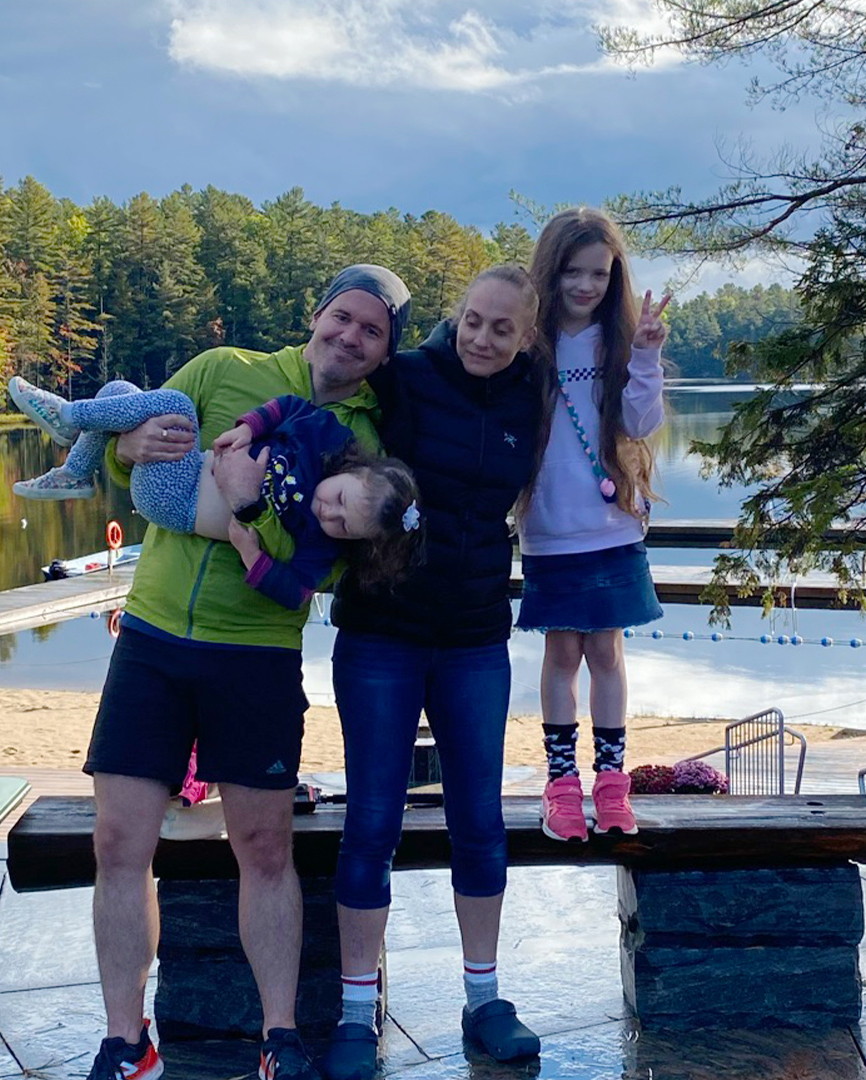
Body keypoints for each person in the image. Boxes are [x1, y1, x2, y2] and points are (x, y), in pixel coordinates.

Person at [78, 265, 411, 1080]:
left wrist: (251, 510)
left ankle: (279, 1037)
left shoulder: (366, 442)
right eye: (342, 317)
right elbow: (133, 466)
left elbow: (329, 571)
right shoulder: (224, 369)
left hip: (257, 654)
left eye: (372, 331)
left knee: (264, 846)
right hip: (153, 636)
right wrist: (125, 448)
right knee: (120, 840)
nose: (350, 337)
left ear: (384, 351)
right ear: (316, 312)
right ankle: (129, 1043)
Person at [321, 265, 545, 1080]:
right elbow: (319, 377)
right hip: (382, 632)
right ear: (455, 317)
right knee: (372, 821)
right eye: (472, 322)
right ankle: (354, 1011)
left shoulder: (535, 396)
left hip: (478, 635)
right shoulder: (406, 378)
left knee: (478, 819)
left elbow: (609, 411)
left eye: (502, 329)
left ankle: (484, 999)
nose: (482, 339)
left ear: (526, 337)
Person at [517, 207, 669, 844]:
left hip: (611, 527)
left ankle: (611, 784)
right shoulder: (528, 342)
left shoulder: (619, 341)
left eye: (599, 275)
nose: (585, 286)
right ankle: (560, 787)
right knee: (561, 654)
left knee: (606, 652)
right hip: (550, 529)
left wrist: (646, 356)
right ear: (550, 273)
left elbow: (639, 424)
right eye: (573, 272)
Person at [8, 381, 423, 610]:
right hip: (189, 469)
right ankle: (75, 471)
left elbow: (294, 593)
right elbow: (290, 407)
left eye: (345, 527)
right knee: (119, 393)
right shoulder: (326, 441)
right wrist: (247, 429)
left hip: (177, 500)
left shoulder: (320, 547)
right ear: (354, 470)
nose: (328, 513)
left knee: (175, 404)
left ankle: (67, 416)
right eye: (340, 500)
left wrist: (252, 557)